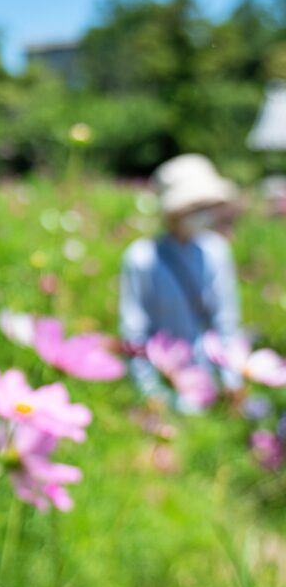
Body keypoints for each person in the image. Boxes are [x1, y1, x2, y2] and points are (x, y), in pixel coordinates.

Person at [119, 154, 241, 412]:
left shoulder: (216, 251)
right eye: (193, 207)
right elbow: (134, 330)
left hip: (211, 378)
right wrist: (150, 392)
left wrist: (232, 379)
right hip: (165, 384)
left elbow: (226, 321)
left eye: (206, 206)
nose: (202, 215)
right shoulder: (142, 257)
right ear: (172, 211)